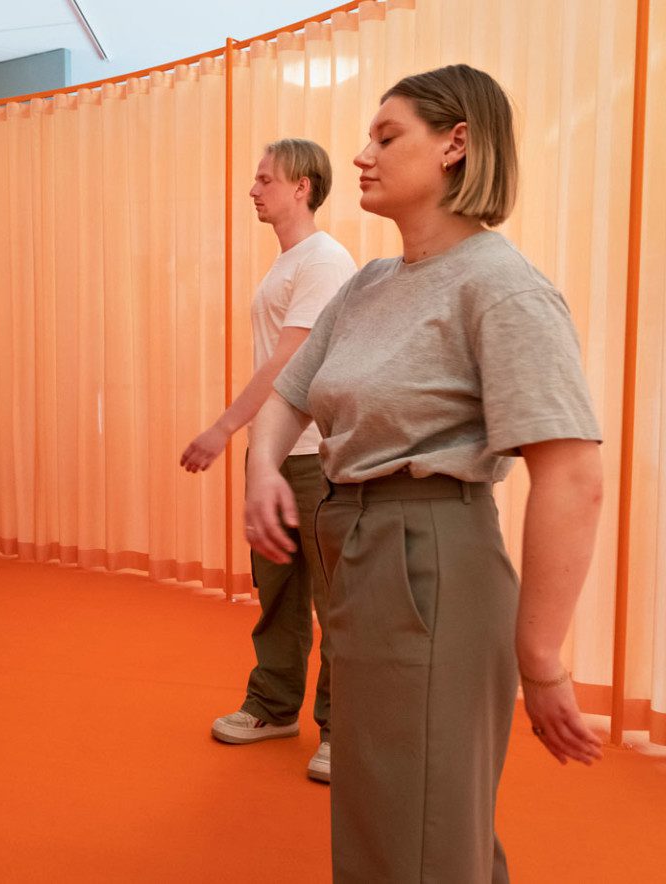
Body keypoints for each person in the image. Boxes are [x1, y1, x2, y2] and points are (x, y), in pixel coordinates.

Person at [244, 64, 605, 882]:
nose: (362, 156)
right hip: (361, 550)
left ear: (456, 144)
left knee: (418, 825)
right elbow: (287, 394)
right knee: (396, 804)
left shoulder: (502, 287)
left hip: (431, 555)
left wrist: (541, 659)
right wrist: (262, 465)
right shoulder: (371, 283)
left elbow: (572, 476)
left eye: (386, 136)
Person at [182, 139, 356, 783]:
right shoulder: (286, 264)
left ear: (302, 186)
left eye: (264, 180)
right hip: (277, 454)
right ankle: (274, 706)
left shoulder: (325, 261)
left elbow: (290, 364)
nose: (253, 190)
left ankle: (343, 727)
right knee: (278, 590)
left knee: (335, 598)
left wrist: (226, 427)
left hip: (318, 456)